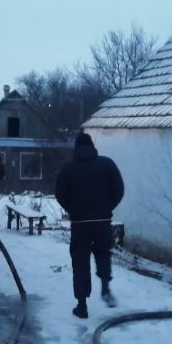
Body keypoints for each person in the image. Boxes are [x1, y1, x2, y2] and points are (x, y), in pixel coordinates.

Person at [55, 132, 124, 319]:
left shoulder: (69, 168)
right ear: (92, 146)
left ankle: (82, 305)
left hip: (80, 224)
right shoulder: (107, 164)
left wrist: (73, 209)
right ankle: (105, 287)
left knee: (80, 262)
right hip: (102, 222)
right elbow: (119, 190)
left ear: (76, 148)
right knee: (103, 254)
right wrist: (107, 208)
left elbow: (59, 193)